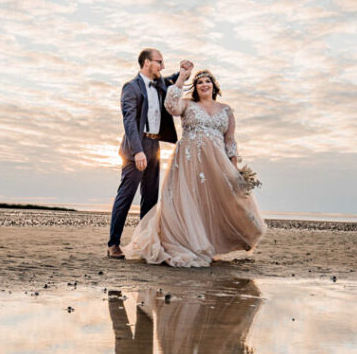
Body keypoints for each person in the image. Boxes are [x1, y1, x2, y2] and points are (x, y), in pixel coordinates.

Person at [123, 67, 266, 267]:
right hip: (189, 160)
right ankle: (190, 243)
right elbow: (170, 106)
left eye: (208, 81)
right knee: (190, 200)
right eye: (199, 82)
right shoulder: (187, 104)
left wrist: (234, 168)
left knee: (217, 200)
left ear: (214, 86)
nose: (204, 84)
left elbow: (230, 141)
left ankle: (222, 241)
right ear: (195, 87)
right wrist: (182, 77)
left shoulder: (226, 109)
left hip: (217, 162)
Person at [107, 48, 193, 258]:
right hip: (135, 148)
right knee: (126, 196)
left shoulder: (160, 83)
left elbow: (174, 80)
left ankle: (145, 243)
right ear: (146, 63)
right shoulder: (131, 87)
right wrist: (137, 151)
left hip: (154, 147)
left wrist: (184, 71)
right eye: (159, 62)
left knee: (151, 198)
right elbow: (128, 120)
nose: (162, 67)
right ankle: (113, 244)